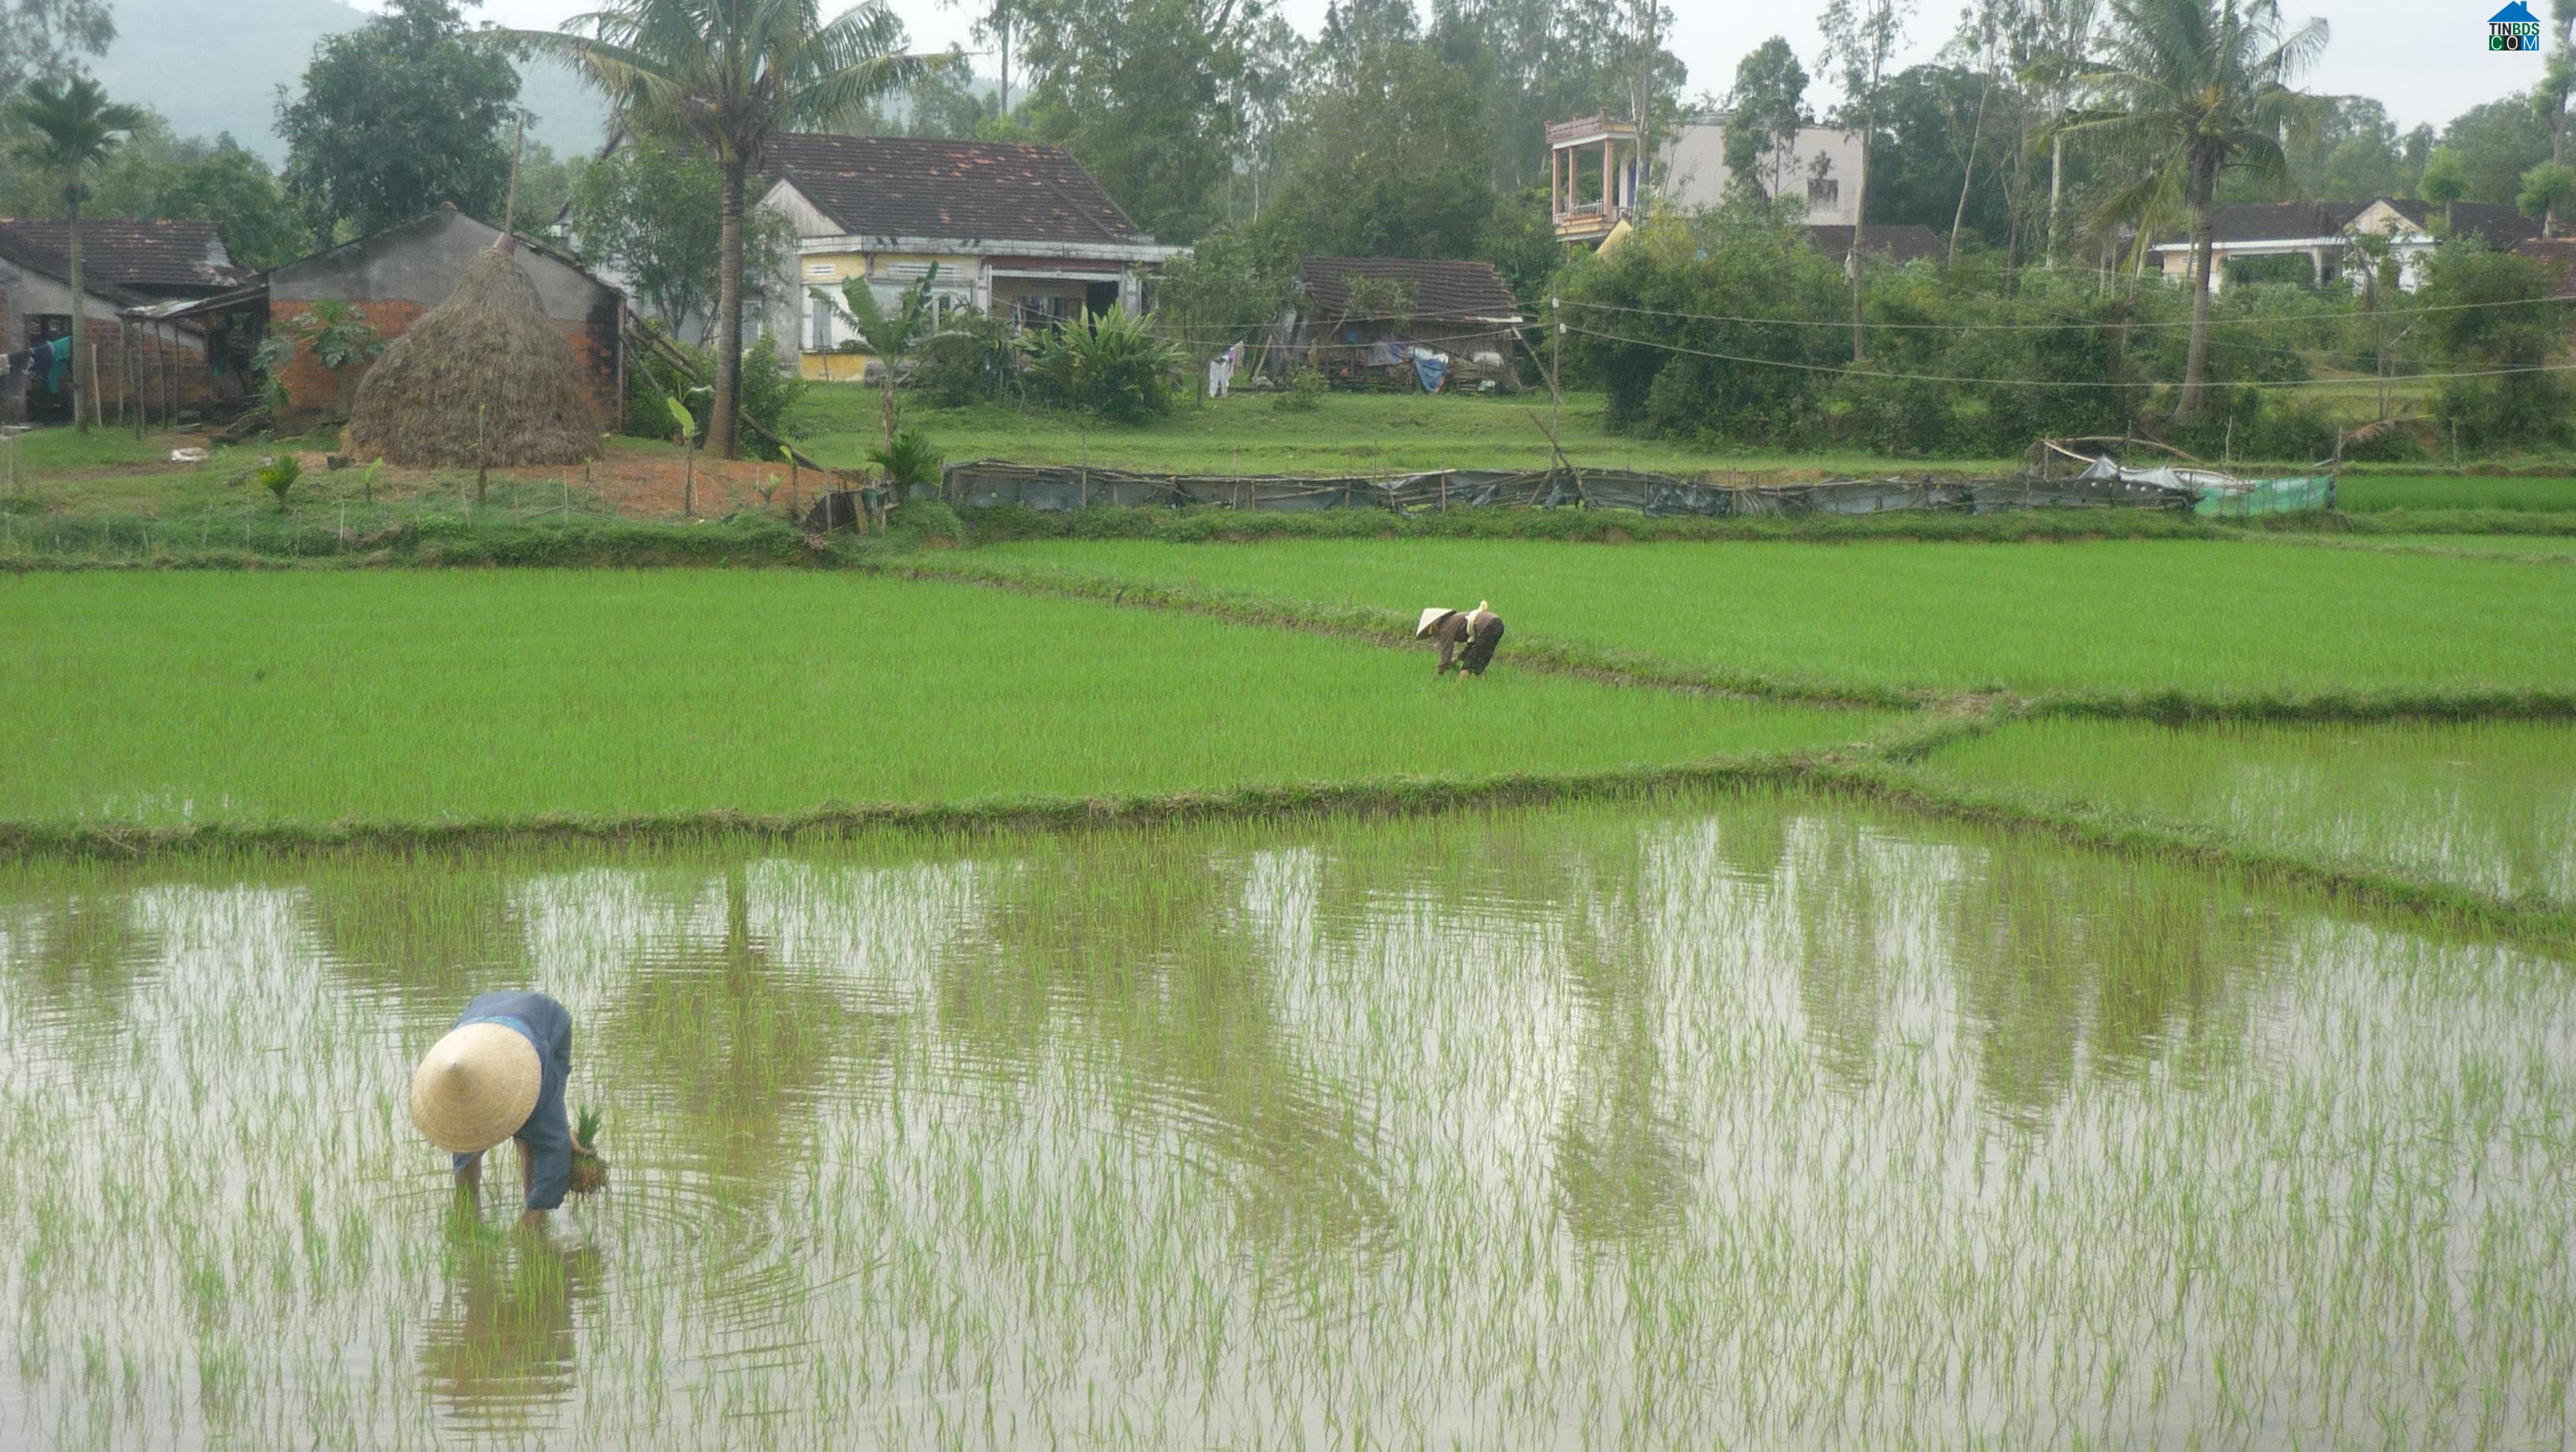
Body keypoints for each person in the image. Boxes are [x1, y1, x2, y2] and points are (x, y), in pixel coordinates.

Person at [410, 990, 580, 1230]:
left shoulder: (534, 1061)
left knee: (536, 1125)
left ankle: (534, 1215)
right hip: (478, 1028)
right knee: (466, 1134)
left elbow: (553, 1147)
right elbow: (459, 1132)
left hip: (545, 1026)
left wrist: (536, 1210)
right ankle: (467, 1209)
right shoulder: (452, 1062)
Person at [1413, 600, 1506, 679]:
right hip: (1497, 624)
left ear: (1434, 626)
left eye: (1430, 632)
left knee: (1468, 665)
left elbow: (1446, 653)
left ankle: (1456, 689)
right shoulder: (1452, 620)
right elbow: (1472, 645)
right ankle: (1481, 684)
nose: (1432, 635)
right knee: (1481, 659)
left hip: (1487, 626)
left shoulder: (1445, 629)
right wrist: (1457, 659)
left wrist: (1438, 674)